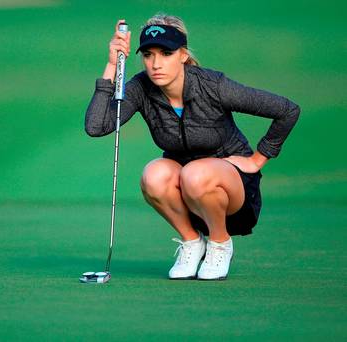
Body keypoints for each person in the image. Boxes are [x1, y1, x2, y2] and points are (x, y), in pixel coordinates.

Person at [84, 13, 300, 280]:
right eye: (148, 55)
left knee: (194, 174)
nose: (155, 63)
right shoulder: (141, 87)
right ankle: (192, 241)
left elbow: (287, 110)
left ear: (183, 55)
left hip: (234, 194)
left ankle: (220, 243)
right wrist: (110, 65)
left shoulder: (213, 85)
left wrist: (258, 159)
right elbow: (97, 126)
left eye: (166, 53)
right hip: (187, 196)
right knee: (153, 175)